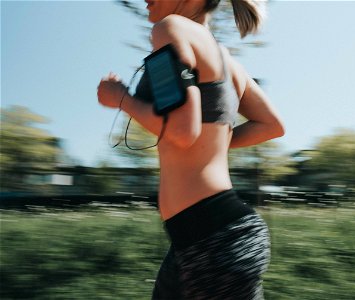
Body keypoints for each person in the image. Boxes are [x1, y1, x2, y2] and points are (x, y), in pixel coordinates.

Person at [97, 0, 284, 298]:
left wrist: (122, 99)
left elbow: (182, 131)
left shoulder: (169, 28)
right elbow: (271, 125)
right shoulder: (227, 61)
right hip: (206, 237)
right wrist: (215, 142)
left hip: (212, 243)